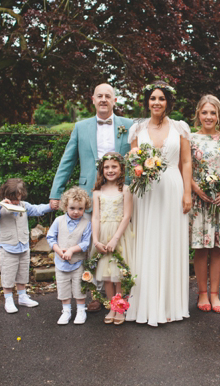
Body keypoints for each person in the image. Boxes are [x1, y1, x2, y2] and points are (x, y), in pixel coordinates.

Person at [49, 83, 133, 312]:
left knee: (118, 243)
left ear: (115, 100)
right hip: (90, 193)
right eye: (100, 96)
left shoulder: (129, 125)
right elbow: (68, 161)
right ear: (93, 100)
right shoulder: (81, 127)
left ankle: (123, 295)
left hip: (119, 194)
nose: (104, 99)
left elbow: (136, 158)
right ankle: (96, 293)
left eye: (108, 96)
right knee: (90, 245)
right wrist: (56, 193)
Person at [125, 81, 192, 326]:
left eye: (161, 98)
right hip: (146, 193)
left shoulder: (180, 128)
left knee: (170, 242)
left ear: (168, 102)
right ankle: (146, 303)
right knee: (147, 242)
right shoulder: (137, 130)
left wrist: (187, 193)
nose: (156, 102)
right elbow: (133, 164)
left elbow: (186, 162)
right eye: (153, 98)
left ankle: (169, 304)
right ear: (147, 101)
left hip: (173, 189)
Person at [189, 95, 220, 314]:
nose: (208, 117)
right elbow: (185, 169)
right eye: (204, 112)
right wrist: (197, 190)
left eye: (212, 113)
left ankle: (215, 294)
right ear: (198, 114)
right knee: (200, 248)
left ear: (218, 115)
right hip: (199, 201)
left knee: (217, 249)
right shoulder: (190, 139)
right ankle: (201, 294)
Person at [0, 178, 53, 314]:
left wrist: (50, 206)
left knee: (22, 272)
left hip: (23, 246)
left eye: (17, 198)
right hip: (8, 247)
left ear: (22, 195)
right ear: (5, 195)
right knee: (8, 274)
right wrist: (0, 205)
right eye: (12, 198)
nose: (15, 201)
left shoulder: (24, 205)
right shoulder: (0, 208)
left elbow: (37, 209)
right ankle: (8, 299)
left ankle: (22, 296)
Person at [91, 152, 134, 326]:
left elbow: (126, 216)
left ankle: (121, 308)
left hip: (120, 235)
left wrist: (115, 238)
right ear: (102, 169)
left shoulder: (125, 189)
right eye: (106, 167)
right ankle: (112, 307)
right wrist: (95, 240)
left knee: (119, 274)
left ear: (121, 168)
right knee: (107, 275)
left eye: (114, 166)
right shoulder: (97, 192)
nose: (110, 170)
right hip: (102, 234)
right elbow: (95, 217)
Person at [46, 187, 92, 325]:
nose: (76, 212)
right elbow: (50, 237)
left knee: (79, 286)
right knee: (63, 286)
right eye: (72, 208)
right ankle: (66, 311)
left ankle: (80, 310)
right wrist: (58, 251)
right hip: (61, 262)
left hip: (78, 262)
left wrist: (72, 250)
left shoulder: (86, 223)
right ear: (65, 206)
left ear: (85, 208)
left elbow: (85, 243)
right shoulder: (59, 221)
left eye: (80, 209)